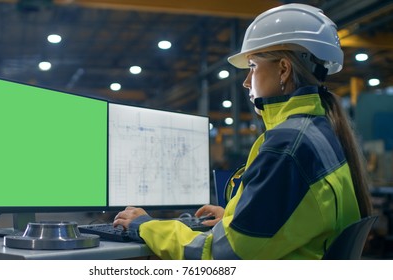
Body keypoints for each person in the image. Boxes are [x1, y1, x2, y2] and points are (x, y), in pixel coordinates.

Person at [113, 3, 372, 260]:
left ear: (283, 69)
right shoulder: (320, 130)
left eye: (252, 66)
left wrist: (145, 225)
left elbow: (222, 257)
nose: (246, 81)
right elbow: (301, 217)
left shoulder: (288, 145)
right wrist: (232, 218)